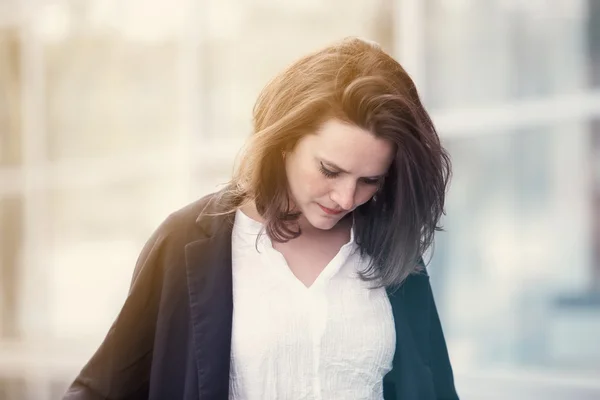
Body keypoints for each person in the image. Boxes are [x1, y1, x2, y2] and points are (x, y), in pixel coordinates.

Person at [63, 37, 458, 400]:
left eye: (369, 180)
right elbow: (99, 392)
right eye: (329, 170)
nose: (346, 197)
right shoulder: (187, 244)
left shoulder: (395, 256)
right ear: (284, 143)